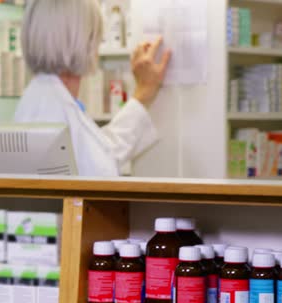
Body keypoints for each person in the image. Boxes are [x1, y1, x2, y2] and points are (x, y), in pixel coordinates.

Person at [14, 0, 172, 176]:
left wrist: (143, 92)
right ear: (83, 39)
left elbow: (101, 151)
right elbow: (100, 171)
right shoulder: (52, 108)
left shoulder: (45, 96)